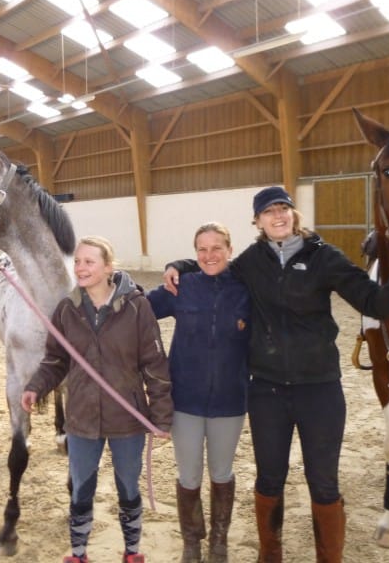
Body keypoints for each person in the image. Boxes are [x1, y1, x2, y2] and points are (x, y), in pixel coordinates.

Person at [164, 187, 389, 563]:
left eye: (283, 208)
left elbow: (371, 301)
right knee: (269, 480)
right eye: (268, 212)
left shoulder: (324, 257)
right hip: (266, 391)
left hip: (320, 389)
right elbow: (214, 264)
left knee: (324, 482)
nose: (277, 216)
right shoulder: (250, 261)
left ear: (294, 215)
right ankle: (270, 555)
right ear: (258, 222)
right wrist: (180, 265)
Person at [20, 236, 173, 563]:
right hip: (82, 420)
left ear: (108, 267)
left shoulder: (137, 307)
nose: (81, 268)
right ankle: (78, 554)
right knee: (81, 489)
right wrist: (36, 386)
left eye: (90, 262)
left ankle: (132, 552)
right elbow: (55, 360)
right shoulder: (67, 309)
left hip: (128, 419)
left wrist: (161, 417)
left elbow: (155, 365)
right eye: (77, 261)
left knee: (128, 489)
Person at [146, 222, 251, 563]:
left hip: (230, 401)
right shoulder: (182, 288)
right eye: (202, 250)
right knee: (188, 474)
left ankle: (218, 539)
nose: (209, 255)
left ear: (230, 250)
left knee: (222, 473)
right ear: (195, 253)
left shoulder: (247, 288)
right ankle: (192, 540)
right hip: (186, 401)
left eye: (217, 248)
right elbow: (139, 309)